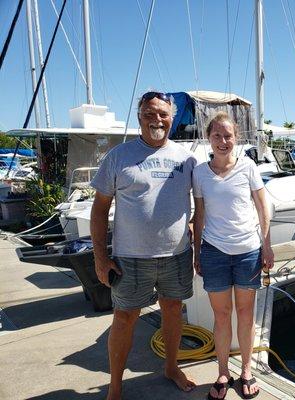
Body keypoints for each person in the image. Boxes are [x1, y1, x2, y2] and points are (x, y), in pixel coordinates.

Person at [90, 91, 197, 400]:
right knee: (124, 318)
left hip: (176, 255)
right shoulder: (118, 157)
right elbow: (99, 210)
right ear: (139, 117)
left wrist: (196, 238)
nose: (157, 119)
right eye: (149, 113)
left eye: (163, 113)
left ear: (172, 117)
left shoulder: (187, 158)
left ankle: (171, 367)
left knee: (174, 310)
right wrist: (100, 258)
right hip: (130, 258)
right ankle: (115, 386)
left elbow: (201, 204)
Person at [192, 112, 274, 400]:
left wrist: (267, 245)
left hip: (248, 251)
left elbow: (263, 207)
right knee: (222, 315)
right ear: (209, 138)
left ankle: (247, 370)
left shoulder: (249, 167)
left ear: (236, 138)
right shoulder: (200, 172)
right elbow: (199, 213)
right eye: (217, 136)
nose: (223, 141)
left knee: (245, 313)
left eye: (228, 136)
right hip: (214, 251)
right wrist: (196, 250)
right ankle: (223, 371)